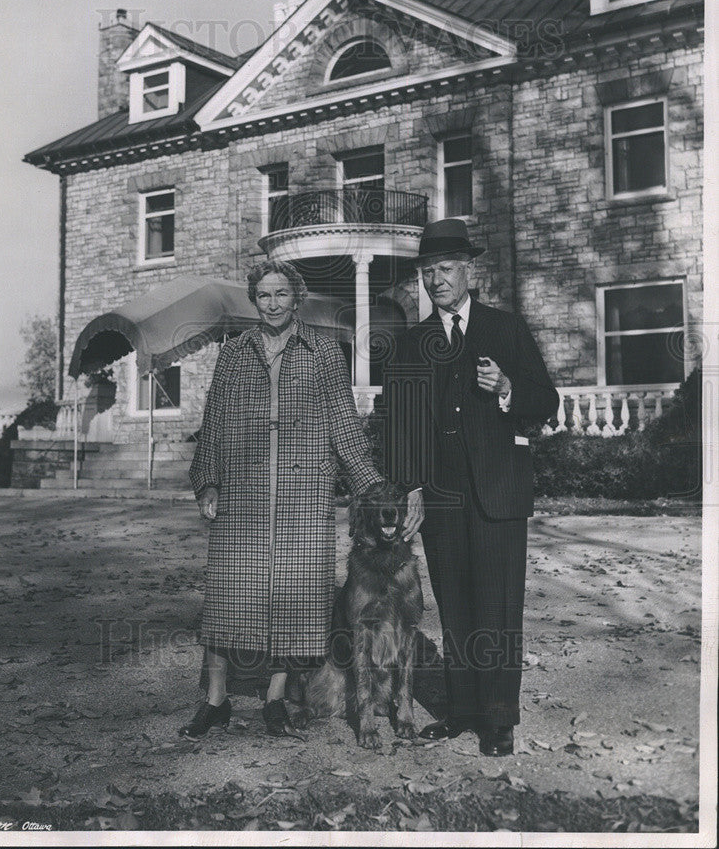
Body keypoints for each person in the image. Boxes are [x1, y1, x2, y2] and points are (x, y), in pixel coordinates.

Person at [184, 259, 388, 739]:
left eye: (281, 294)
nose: (273, 303)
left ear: (297, 299)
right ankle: (215, 701)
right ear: (254, 301)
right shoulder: (234, 353)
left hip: (302, 492)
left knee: (293, 598)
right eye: (264, 295)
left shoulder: (322, 352)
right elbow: (213, 422)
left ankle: (274, 701)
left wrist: (370, 487)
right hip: (243, 489)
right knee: (227, 597)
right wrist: (208, 481)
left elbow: (342, 422)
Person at [384, 218, 559, 756]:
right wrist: (410, 485)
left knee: (498, 605)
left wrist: (508, 386)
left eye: (445, 269)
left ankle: (499, 718)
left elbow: (546, 401)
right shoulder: (412, 342)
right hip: (441, 494)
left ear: (467, 270)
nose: (436, 279)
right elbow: (401, 423)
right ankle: (461, 711)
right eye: (427, 271)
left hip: (499, 491)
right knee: (456, 603)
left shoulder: (504, 329)